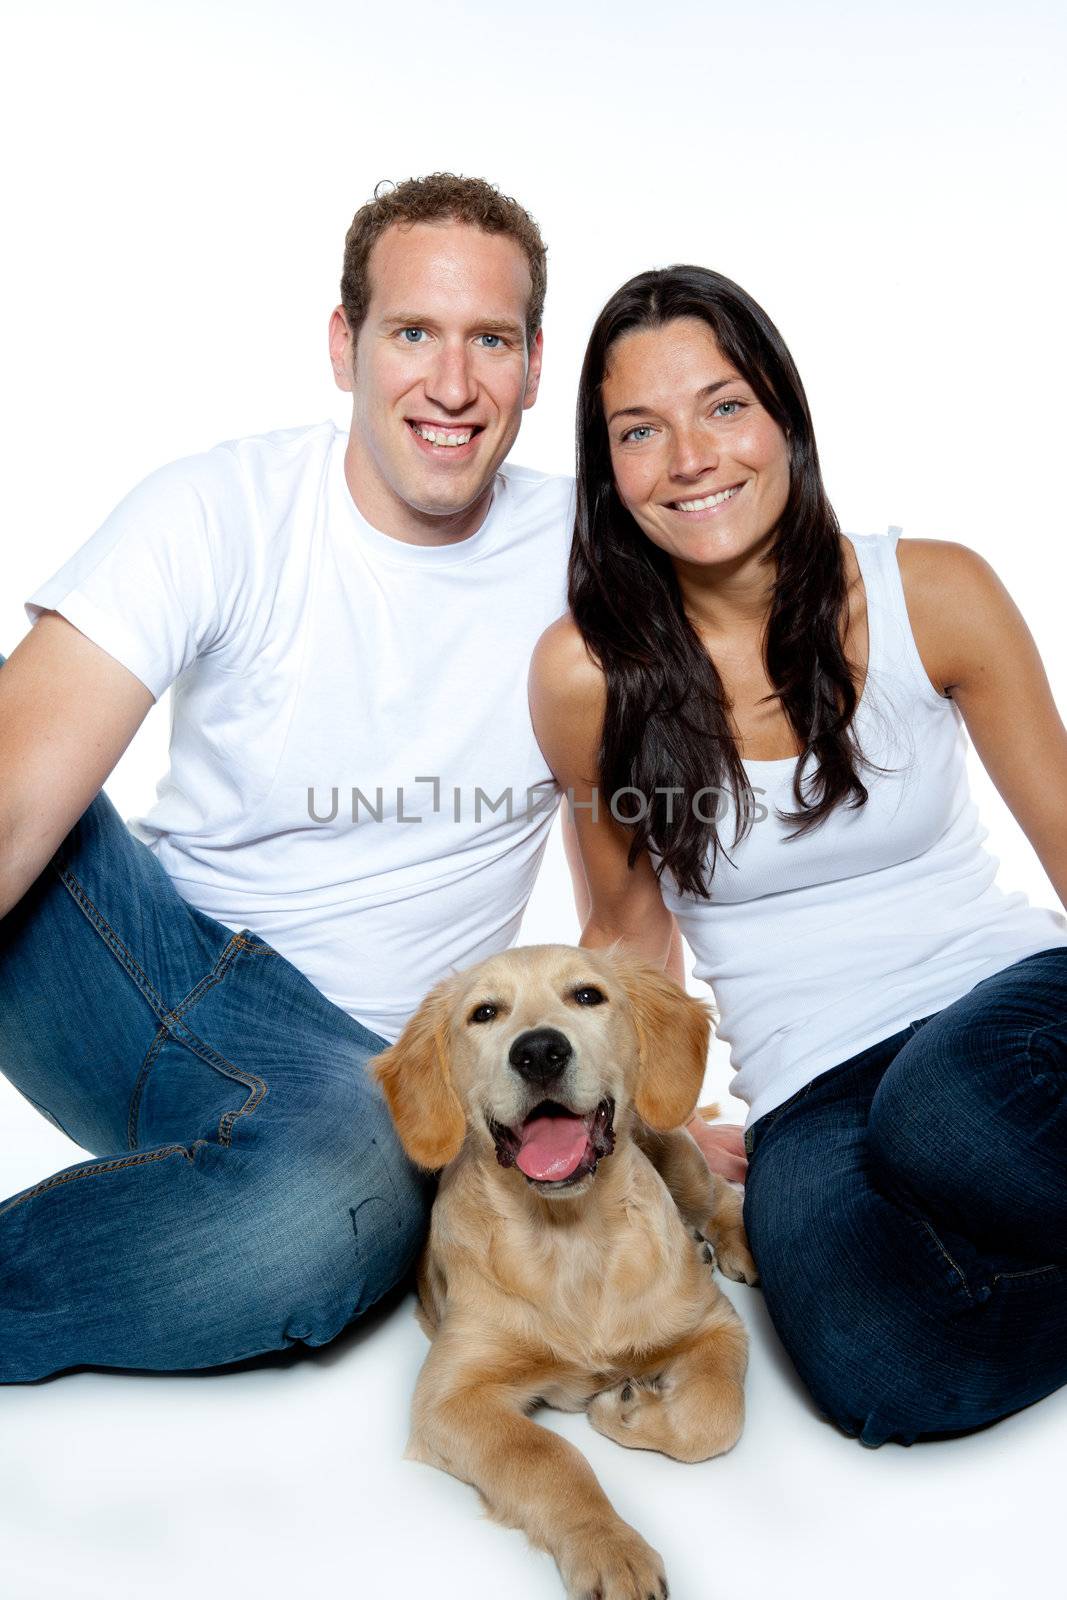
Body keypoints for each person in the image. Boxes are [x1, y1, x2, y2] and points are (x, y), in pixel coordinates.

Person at [0, 173, 576, 1383]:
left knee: (340, 1213)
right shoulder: (222, 507)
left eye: (490, 341)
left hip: (370, 1078)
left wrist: (668, 1118)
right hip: (142, 968)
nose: (451, 384)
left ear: (533, 362)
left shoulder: (593, 560)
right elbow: (15, 796)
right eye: (411, 332)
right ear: (343, 345)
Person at [529, 263, 1067, 1447]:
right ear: (607, 468)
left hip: (1011, 1023)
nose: (690, 457)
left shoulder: (933, 589)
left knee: (943, 1113)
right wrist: (645, 1120)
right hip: (812, 1088)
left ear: (782, 415)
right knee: (880, 1368)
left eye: (722, 406)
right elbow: (625, 932)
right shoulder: (586, 676)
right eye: (639, 430)